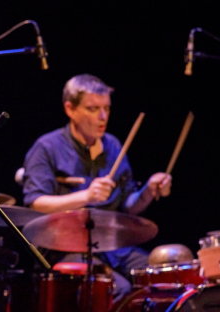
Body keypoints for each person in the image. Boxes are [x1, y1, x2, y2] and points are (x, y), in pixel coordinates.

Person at [21, 73, 172, 297]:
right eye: (93, 109)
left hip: (111, 245)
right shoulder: (47, 147)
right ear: (70, 109)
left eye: (107, 109)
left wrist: (149, 191)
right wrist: (86, 197)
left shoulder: (112, 145)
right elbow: (36, 203)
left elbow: (129, 206)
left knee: (162, 277)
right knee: (115, 288)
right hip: (63, 248)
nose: (102, 117)